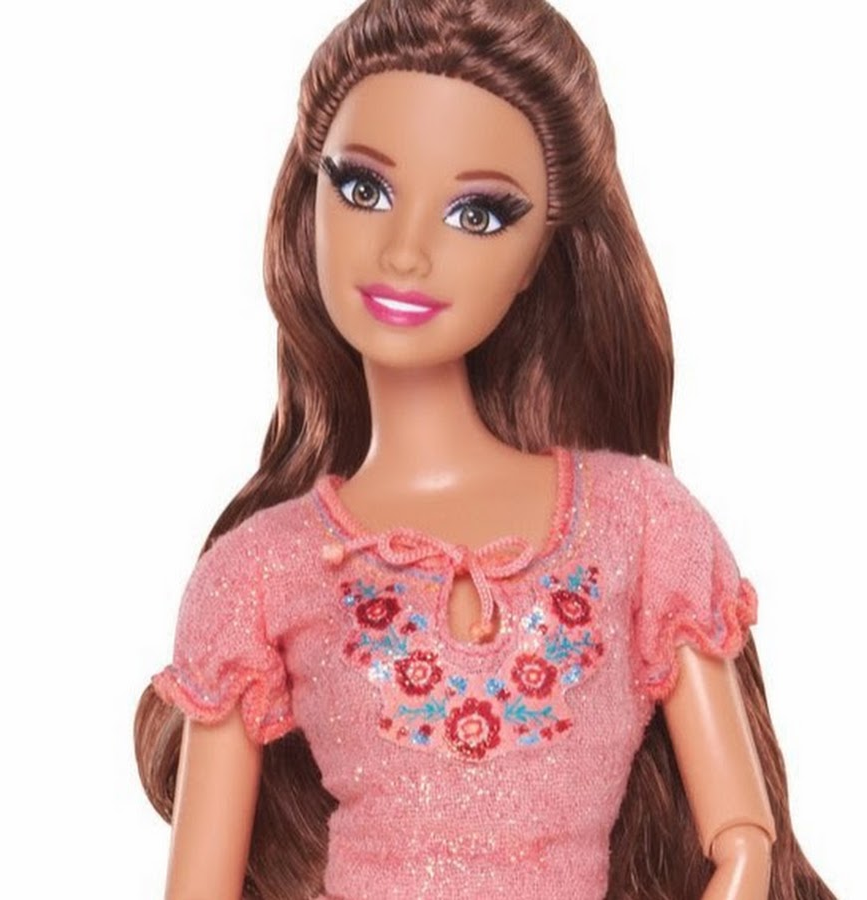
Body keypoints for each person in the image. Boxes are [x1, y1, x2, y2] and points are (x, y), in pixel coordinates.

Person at [134, 2, 834, 898]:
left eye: (477, 212)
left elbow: (742, 844)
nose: (405, 252)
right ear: (309, 200)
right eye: (363, 189)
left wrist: (741, 865)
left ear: (541, 254)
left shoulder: (641, 523)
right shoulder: (258, 575)